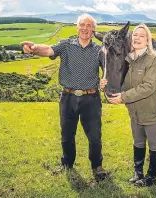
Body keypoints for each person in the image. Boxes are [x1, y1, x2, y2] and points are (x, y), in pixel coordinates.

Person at [21, 13, 108, 181]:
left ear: (93, 30)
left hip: (91, 98)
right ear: (77, 27)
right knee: (67, 134)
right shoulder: (66, 45)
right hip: (68, 97)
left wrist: (106, 80)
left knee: (95, 135)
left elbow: (108, 69)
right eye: (82, 25)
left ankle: (97, 166)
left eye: (88, 26)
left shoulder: (100, 51)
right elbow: (48, 50)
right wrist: (33, 48)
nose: (84, 28)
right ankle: (67, 163)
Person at [100, 23, 156, 187]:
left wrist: (123, 97)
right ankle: (138, 173)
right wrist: (106, 86)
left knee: (154, 145)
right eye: (135, 35)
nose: (137, 38)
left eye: (142, 35)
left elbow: (148, 87)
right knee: (138, 142)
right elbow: (124, 84)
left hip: (152, 112)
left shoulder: (154, 61)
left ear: (147, 40)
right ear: (131, 39)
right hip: (135, 112)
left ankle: (151, 178)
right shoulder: (130, 61)